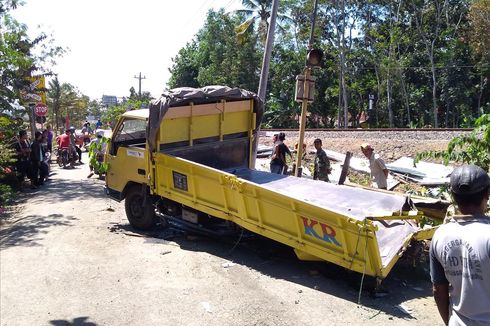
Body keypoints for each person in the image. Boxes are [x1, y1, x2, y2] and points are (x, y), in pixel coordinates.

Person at [429, 164, 490, 325]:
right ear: (487, 194)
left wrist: (450, 322)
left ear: (453, 196)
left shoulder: (440, 235)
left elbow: (438, 291)